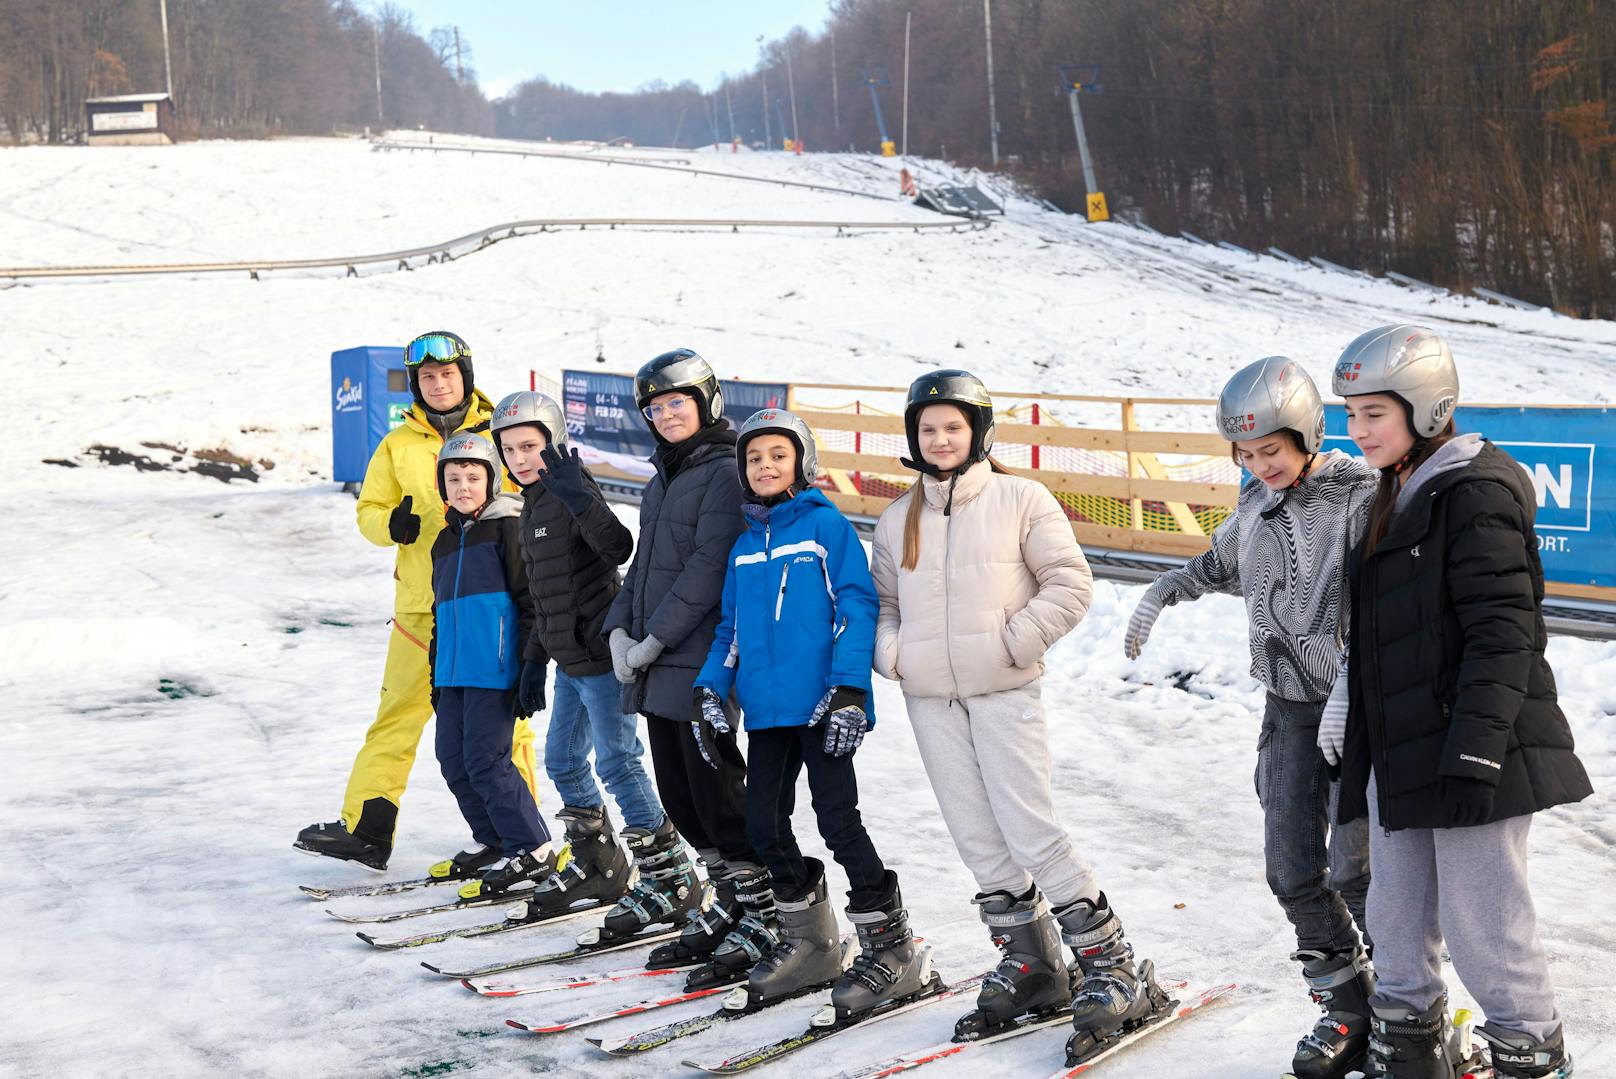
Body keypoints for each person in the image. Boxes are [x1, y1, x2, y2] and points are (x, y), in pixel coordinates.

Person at [870, 369, 1166, 1060]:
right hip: (930, 697)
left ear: (978, 431)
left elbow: (1070, 583)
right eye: (928, 428)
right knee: (976, 835)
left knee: (1032, 829)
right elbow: (886, 604)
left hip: (1004, 692)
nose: (941, 438)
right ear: (915, 437)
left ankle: (1110, 965)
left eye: (953, 426)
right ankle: (1032, 965)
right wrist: (895, 654)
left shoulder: (1019, 498)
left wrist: (1013, 641)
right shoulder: (897, 518)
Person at [1332, 325, 1590, 1079]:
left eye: (1374, 412)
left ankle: (1528, 1053)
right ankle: (1410, 1045)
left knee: (1487, 927)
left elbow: (1504, 634)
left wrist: (1474, 748)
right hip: (1405, 747)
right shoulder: (1394, 494)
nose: (1358, 430)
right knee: (1396, 912)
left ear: (1426, 405)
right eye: (1351, 413)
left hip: (1476, 749)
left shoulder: (1474, 492)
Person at [1124, 356, 1376, 1079]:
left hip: (1354, 710)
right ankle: (1345, 1006)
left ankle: (1406, 1010)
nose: (1260, 464)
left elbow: (1385, 597)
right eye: (1246, 452)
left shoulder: (1357, 496)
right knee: (1293, 870)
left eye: (1272, 450)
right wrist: (1168, 587)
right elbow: (1221, 562)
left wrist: (1352, 686)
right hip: (1287, 712)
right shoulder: (1255, 500)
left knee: (1359, 873)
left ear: (1306, 434)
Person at [693, 408, 915, 1012]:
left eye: (778, 456)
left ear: (801, 462)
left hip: (820, 706)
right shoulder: (744, 547)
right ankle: (810, 940)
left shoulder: (826, 528)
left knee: (839, 822)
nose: (765, 466)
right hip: (767, 716)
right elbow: (730, 632)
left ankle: (890, 941)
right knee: (763, 827)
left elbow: (857, 606)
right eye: (754, 458)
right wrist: (711, 690)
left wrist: (848, 690)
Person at [295, 330, 539, 873]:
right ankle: (368, 828)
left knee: (507, 727)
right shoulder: (397, 445)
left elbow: (529, 498)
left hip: (488, 608)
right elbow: (368, 511)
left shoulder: (502, 432)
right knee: (397, 716)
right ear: (416, 385)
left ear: (465, 377)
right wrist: (391, 525)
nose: (438, 384)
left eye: (447, 374)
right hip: (420, 609)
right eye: (427, 377)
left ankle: (530, 838)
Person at [598, 348, 763, 960]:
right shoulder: (662, 479)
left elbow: (707, 566)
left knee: (718, 792)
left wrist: (653, 639)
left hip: (699, 661)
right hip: (656, 663)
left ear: (707, 403)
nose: (666, 415)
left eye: (677, 402)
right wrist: (619, 628)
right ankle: (729, 899)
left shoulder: (723, 470)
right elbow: (642, 566)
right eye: (656, 407)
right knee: (682, 798)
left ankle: (765, 907)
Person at [487, 391, 662, 918]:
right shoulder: (533, 502)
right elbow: (547, 594)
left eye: (531, 446)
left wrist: (581, 499)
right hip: (568, 661)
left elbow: (617, 549)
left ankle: (670, 875)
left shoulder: (570, 486)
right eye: (510, 449)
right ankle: (599, 864)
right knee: (562, 760)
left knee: (618, 763)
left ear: (555, 443)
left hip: (603, 659)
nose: (520, 458)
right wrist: (534, 660)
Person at [426, 432, 554, 897]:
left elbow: (530, 602)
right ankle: (495, 839)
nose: (463, 487)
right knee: (453, 761)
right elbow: (440, 614)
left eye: (473, 478)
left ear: (491, 480)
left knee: (486, 761)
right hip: (454, 673)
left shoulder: (509, 527)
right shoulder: (443, 542)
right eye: (453, 478)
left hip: (495, 669)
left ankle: (532, 848)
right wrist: (434, 676)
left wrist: (527, 664)